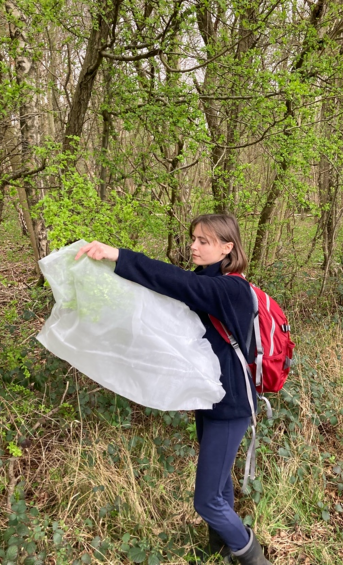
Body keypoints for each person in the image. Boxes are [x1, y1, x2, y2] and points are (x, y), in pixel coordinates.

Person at [76, 214, 271, 565]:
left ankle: (252, 557)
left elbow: (176, 282)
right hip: (210, 399)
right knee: (219, 481)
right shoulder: (204, 281)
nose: (193, 246)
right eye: (193, 238)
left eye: (204, 241)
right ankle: (220, 549)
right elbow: (168, 291)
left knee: (207, 499)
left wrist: (119, 255)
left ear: (227, 247)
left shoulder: (231, 290)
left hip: (232, 405)